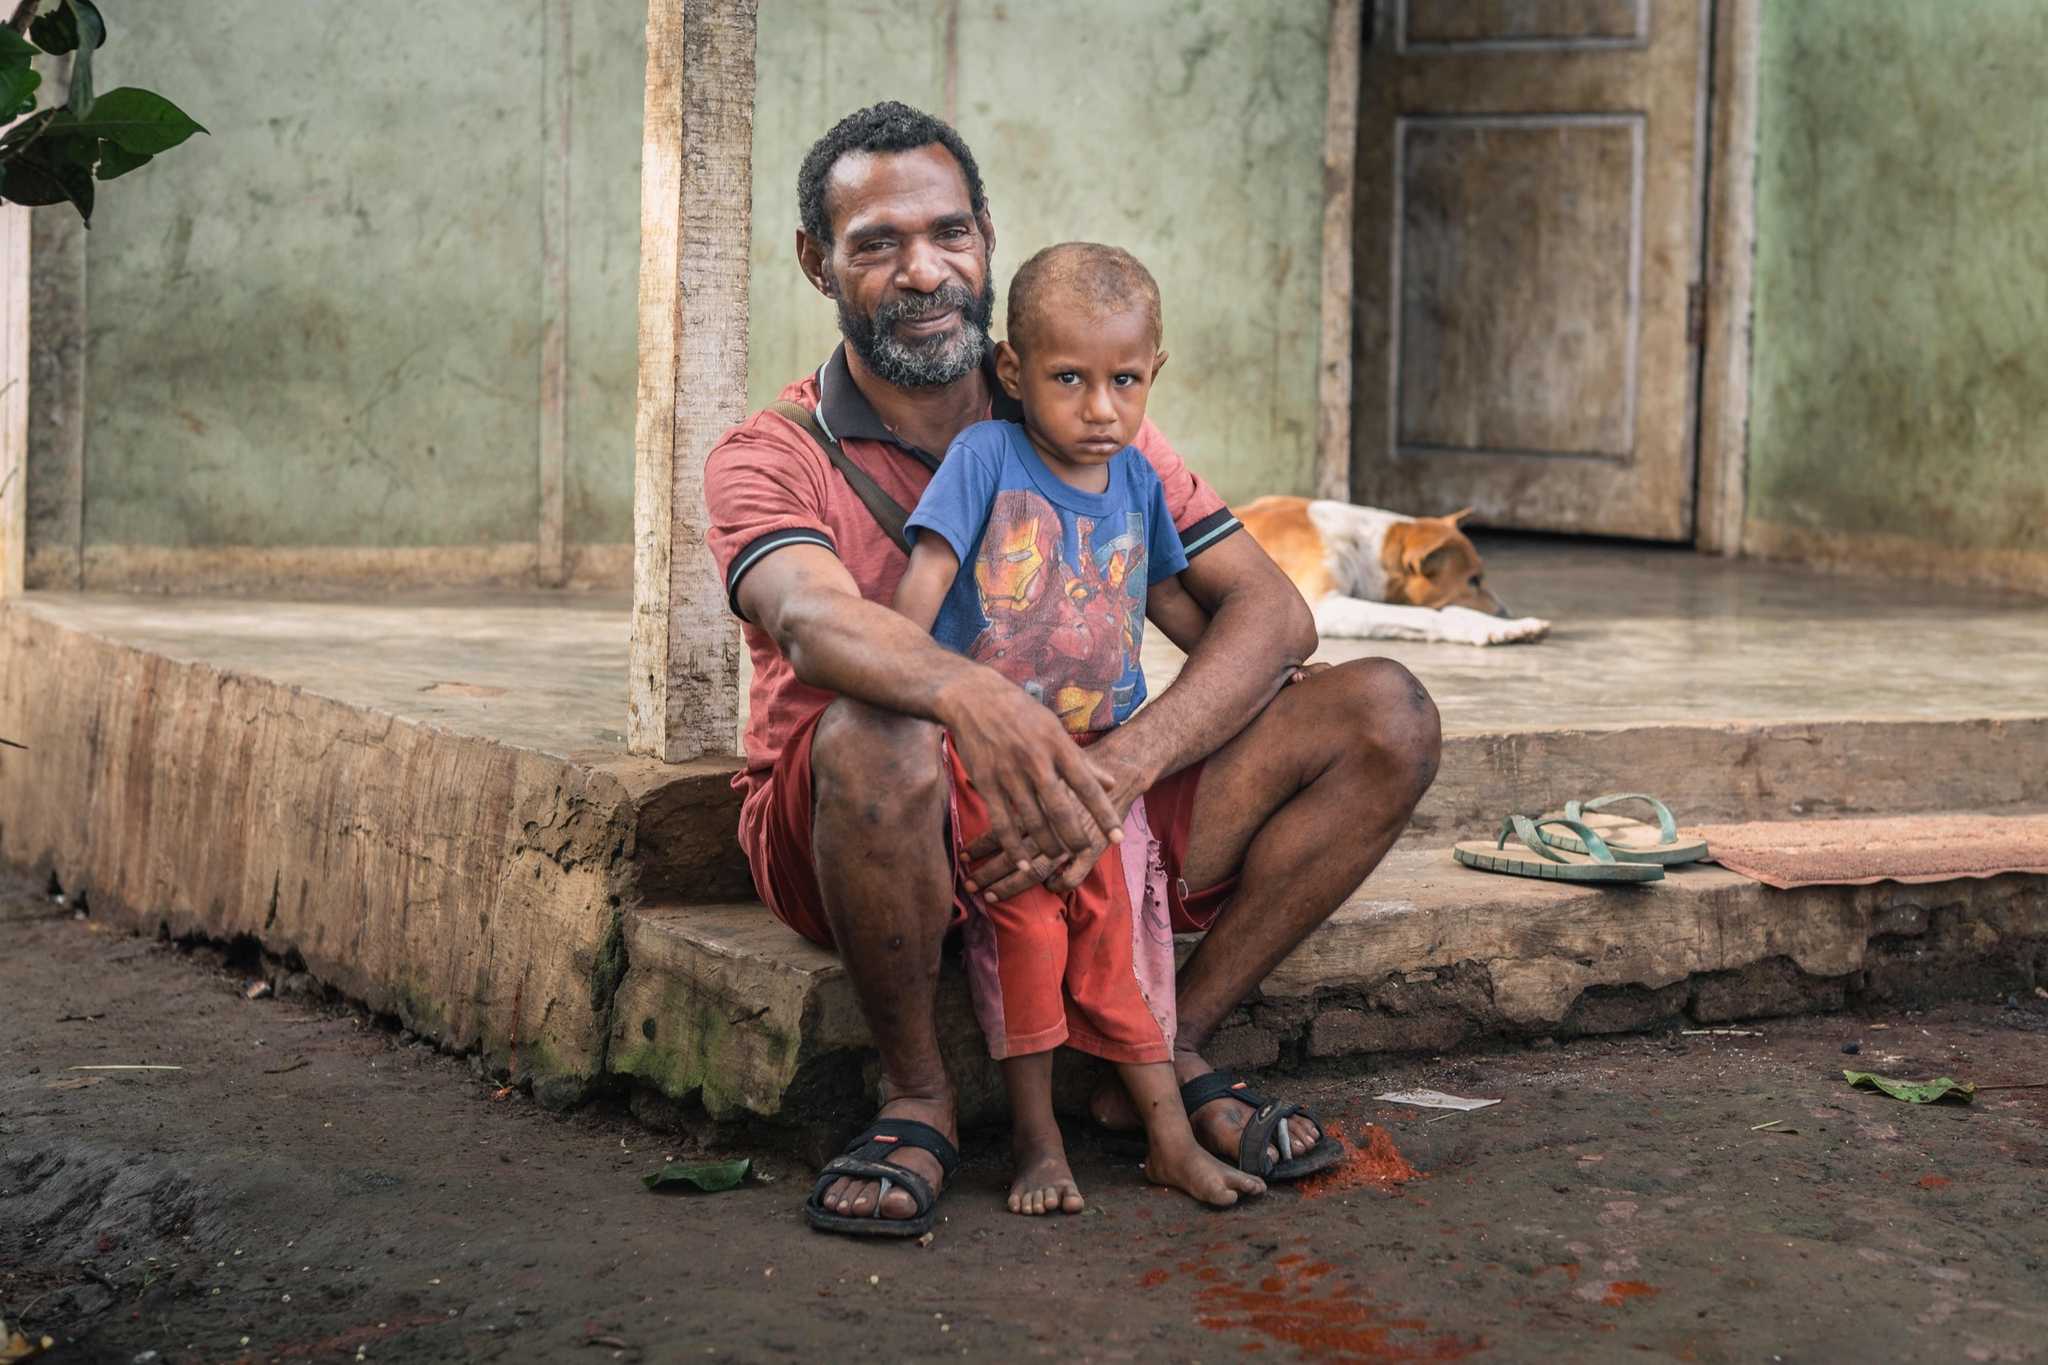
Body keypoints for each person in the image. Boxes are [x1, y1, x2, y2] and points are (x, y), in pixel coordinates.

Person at [704, 101, 1440, 1239]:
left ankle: (1154, 1048)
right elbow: (809, 619)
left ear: (986, 237)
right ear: (816, 262)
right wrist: (973, 699)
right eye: (876, 243)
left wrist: (1122, 766)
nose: (922, 271)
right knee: (878, 722)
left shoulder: (1079, 410)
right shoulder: (773, 452)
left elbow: (1268, 614)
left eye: (948, 233)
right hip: (869, 826)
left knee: (1383, 712)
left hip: (1083, 806)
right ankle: (918, 1098)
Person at [890, 242, 1259, 1215]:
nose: (1100, 408)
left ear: (1153, 376)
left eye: (1123, 381)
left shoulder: (1137, 478)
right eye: (1068, 379)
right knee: (1024, 942)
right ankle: (1036, 1141)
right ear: (1012, 373)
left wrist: (1270, 679)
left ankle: (1166, 1139)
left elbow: (1176, 609)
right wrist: (918, 703)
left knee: (1121, 948)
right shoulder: (985, 458)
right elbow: (914, 600)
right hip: (998, 772)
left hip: (1105, 770)